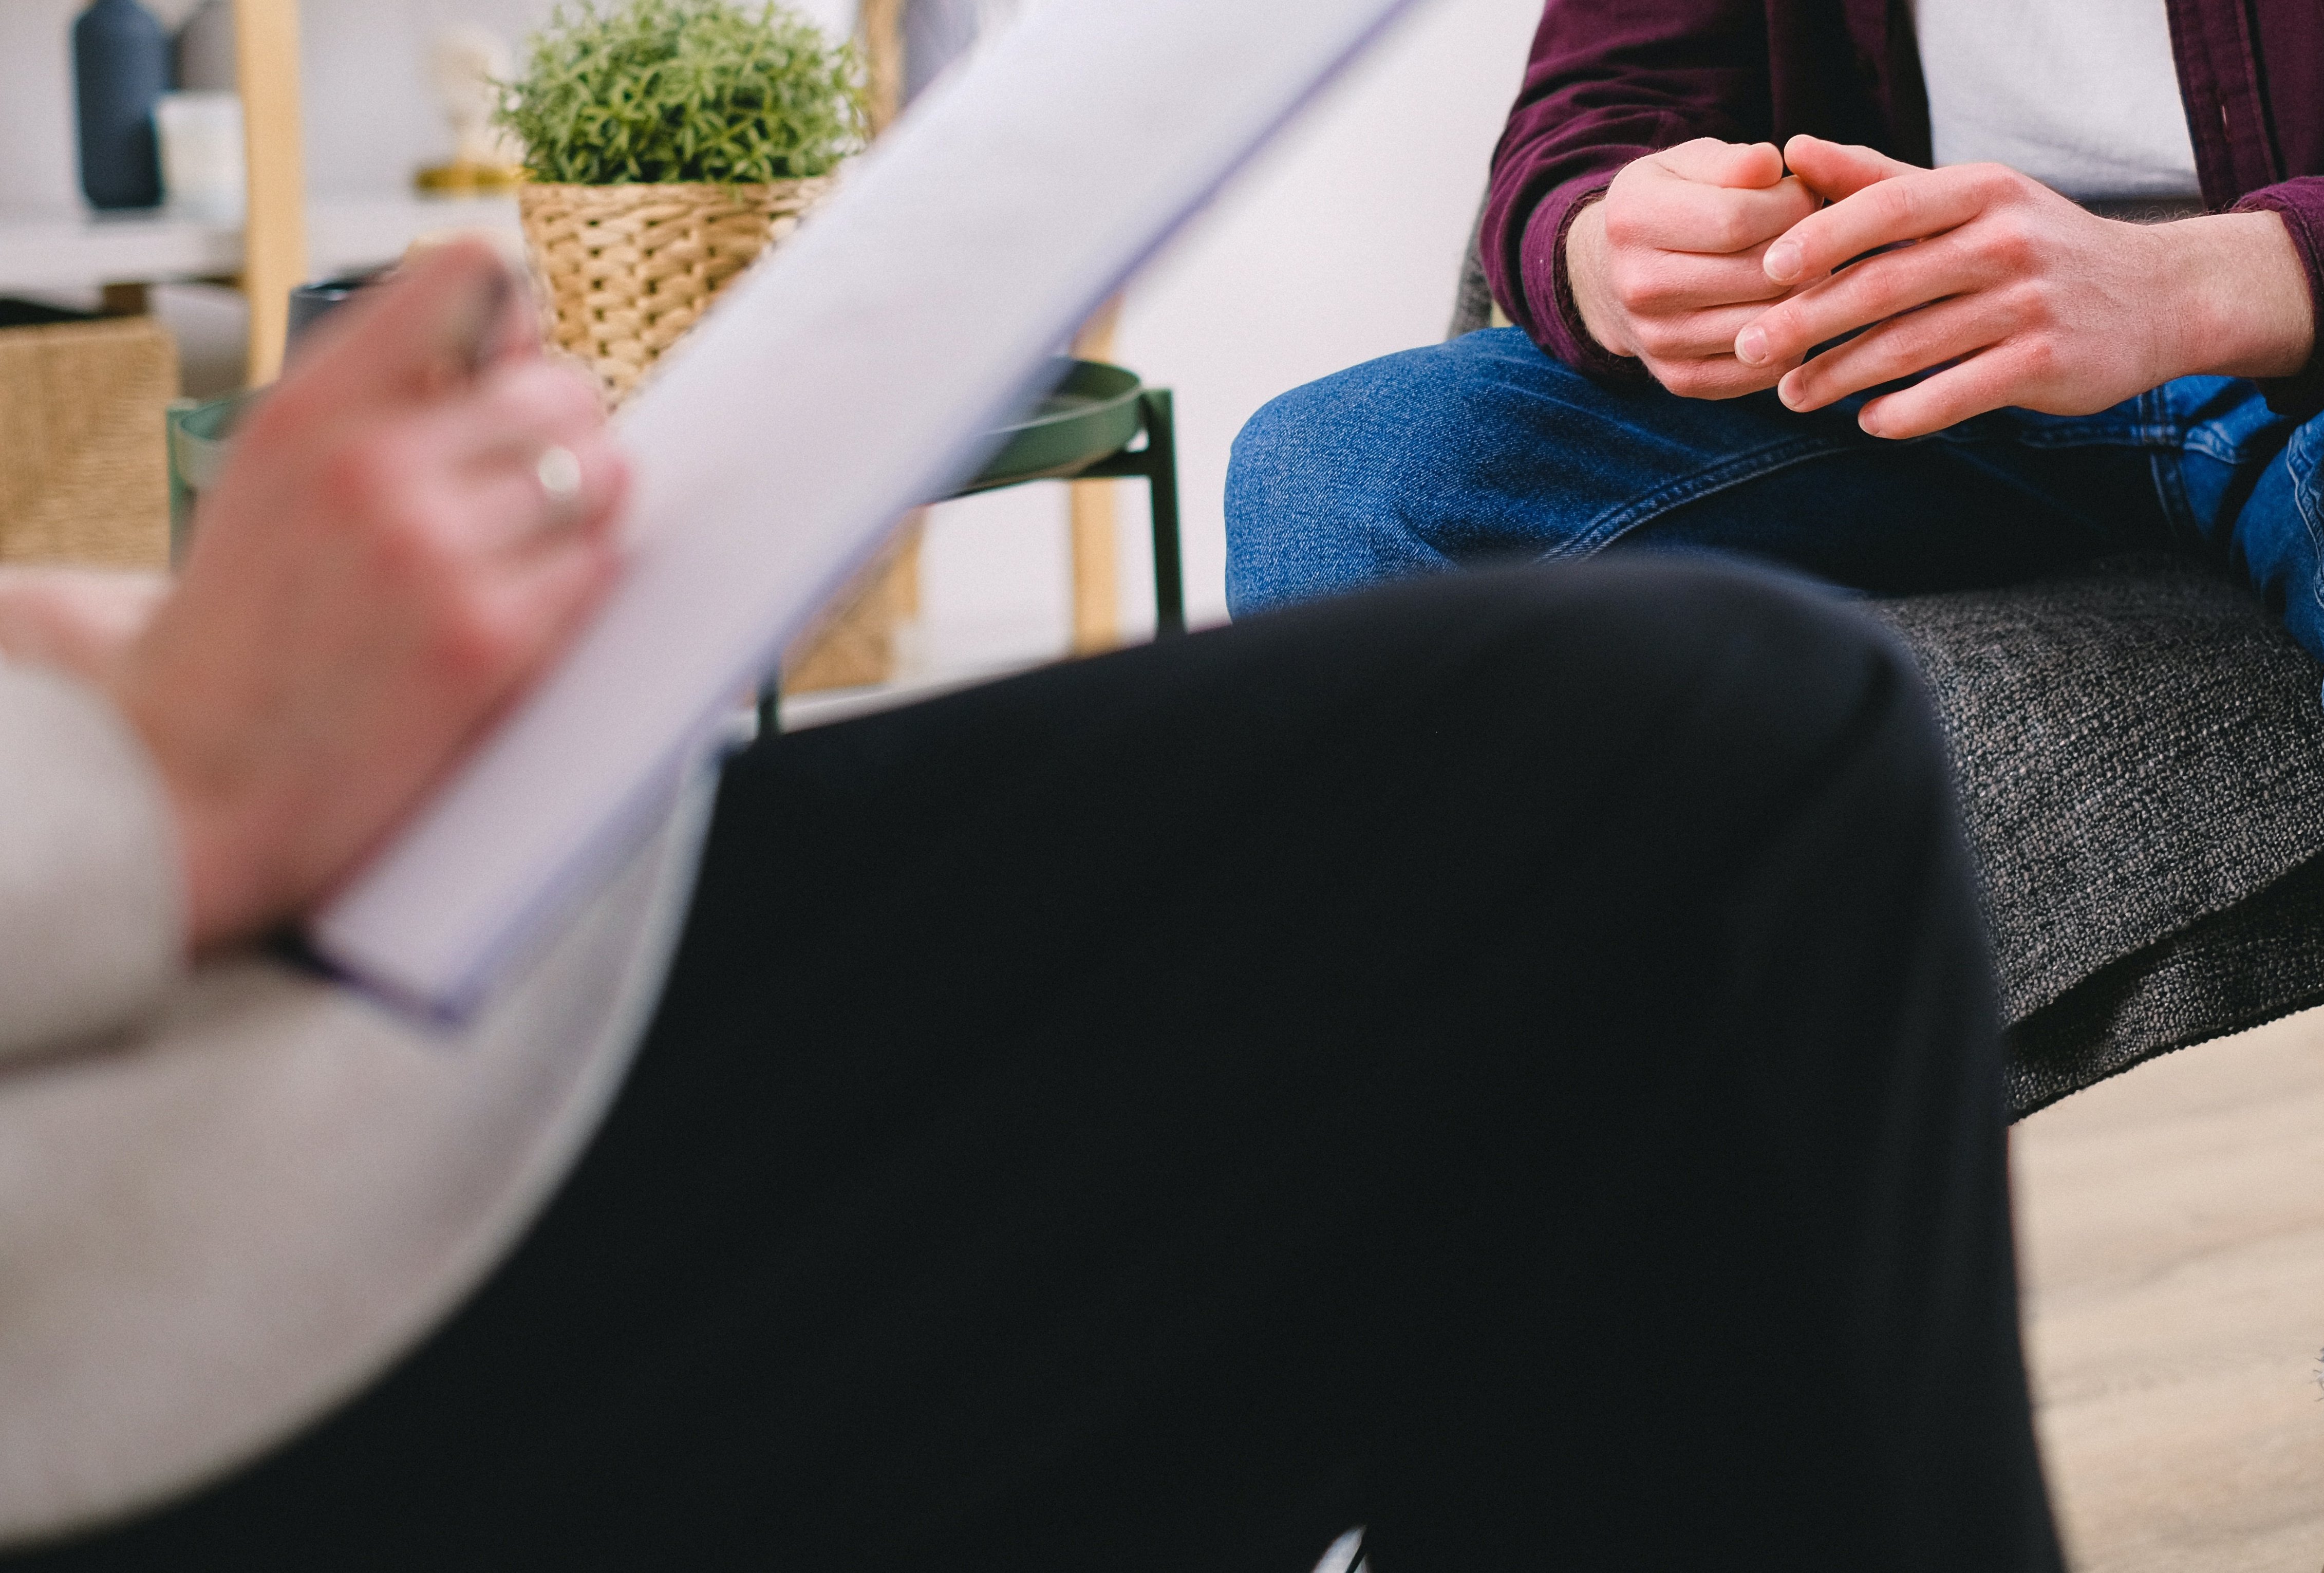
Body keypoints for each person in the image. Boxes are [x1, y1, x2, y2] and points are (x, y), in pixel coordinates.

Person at [0, 242, 2058, 1569]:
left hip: (248, 1032)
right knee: (1705, 781)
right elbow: (1580, 140)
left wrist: (152, 662)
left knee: (1676, 771)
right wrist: (176, 780)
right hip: (168, 1268)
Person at [1222, 2, 2324, 1567]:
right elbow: (1591, 115)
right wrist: (1605, 247)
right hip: (1920, 369)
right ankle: (1495, 1430)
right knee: (1335, 480)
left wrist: (2185, 279)